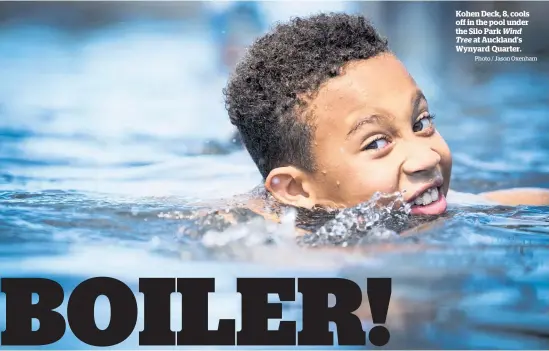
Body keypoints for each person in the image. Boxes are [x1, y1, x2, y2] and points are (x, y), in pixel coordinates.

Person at [219, 13, 548, 226]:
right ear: (295, 188)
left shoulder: (414, 200)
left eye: (421, 123)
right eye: (377, 143)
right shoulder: (286, 254)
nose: (426, 158)